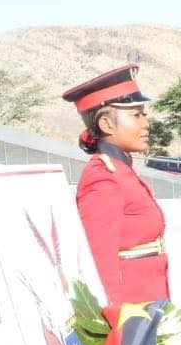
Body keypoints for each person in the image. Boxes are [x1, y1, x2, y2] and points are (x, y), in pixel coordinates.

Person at [62, 65, 169, 307]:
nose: (145, 123)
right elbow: (98, 260)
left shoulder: (121, 170)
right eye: (136, 115)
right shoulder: (103, 177)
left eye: (144, 115)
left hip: (148, 301)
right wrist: (112, 319)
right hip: (130, 311)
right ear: (107, 125)